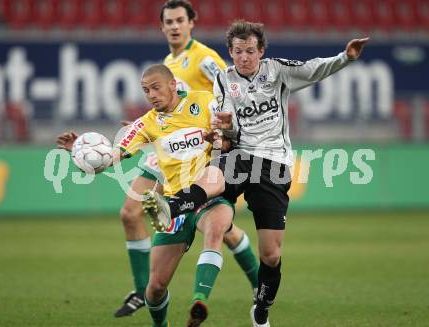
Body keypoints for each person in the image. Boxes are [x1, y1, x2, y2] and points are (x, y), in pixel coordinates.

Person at [142, 20, 370, 327]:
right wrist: (224, 127)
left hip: (273, 164)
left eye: (250, 51)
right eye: (238, 51)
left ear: (261, 51)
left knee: (272, 255)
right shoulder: (224, 79)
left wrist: (346, 57)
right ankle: (173, 205)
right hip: (239, 152)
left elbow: (313, 69)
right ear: (231, 53)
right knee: (213, 177)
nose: (244, 57)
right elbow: (229, 128)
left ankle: (261, 308)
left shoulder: (276, 71)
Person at [57, 64, 235, 327]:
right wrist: (85, 154)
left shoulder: (204, 101)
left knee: (217, 227)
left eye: (155, 87)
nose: (151, 94)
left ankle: (199, 301)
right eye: (145, 90)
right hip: (173, 203)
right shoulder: (146, 123)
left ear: (173, 84)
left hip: (208, 194)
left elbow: (230, 139)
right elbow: (114, 155)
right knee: (155, 289)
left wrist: (219, 138)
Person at [113, 0, 259, 317]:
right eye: (169, 22)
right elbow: (163, 109)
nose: (175, 26)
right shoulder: (169, 62)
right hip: (169, 144)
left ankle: (258, 282)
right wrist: (145, 127)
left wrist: (225, 130)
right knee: (130, 212)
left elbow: (231, 87)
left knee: (218, 224)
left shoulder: (203, 57)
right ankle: (144, 290)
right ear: (162, 27)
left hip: (201, 145)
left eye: (180, 20)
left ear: (191, 22)